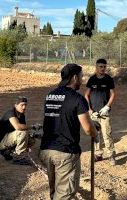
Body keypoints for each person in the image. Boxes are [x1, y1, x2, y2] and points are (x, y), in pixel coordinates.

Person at [39, 63, 97, 200]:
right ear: (75, 77)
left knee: (54, 190)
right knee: (65, 194)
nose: (83, 80)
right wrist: (96, 134)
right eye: (82, 76)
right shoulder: (77, 98)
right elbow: (88, 128)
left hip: (47, 150)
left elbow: (61, 115)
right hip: (65, 152)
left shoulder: (50, 95)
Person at [85, 58, 116, 165]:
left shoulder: (109, 79)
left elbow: (113, 94)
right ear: (96, 67)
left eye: (104, 67)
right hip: (94, 113)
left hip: (104, 113)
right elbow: (86, 95)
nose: (102, 68)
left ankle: (111, 155)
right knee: (95, 135)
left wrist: (107, 106)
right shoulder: (92, 79)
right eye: (100, 66)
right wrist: (90, 110)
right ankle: (98, 154)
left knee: (107, 134)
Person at [0, 96, 32, 164]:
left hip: (9, 139)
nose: (24, 107)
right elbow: (18, 127)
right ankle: (18, 157)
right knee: (22, 133)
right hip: (2, 141)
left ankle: (11, 152)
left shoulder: (21, 115)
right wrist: (32, 127)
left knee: (31, 139)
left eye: (25, 105)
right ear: (16, 105)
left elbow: (24, 128)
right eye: (22, 105)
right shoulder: (10, 113)